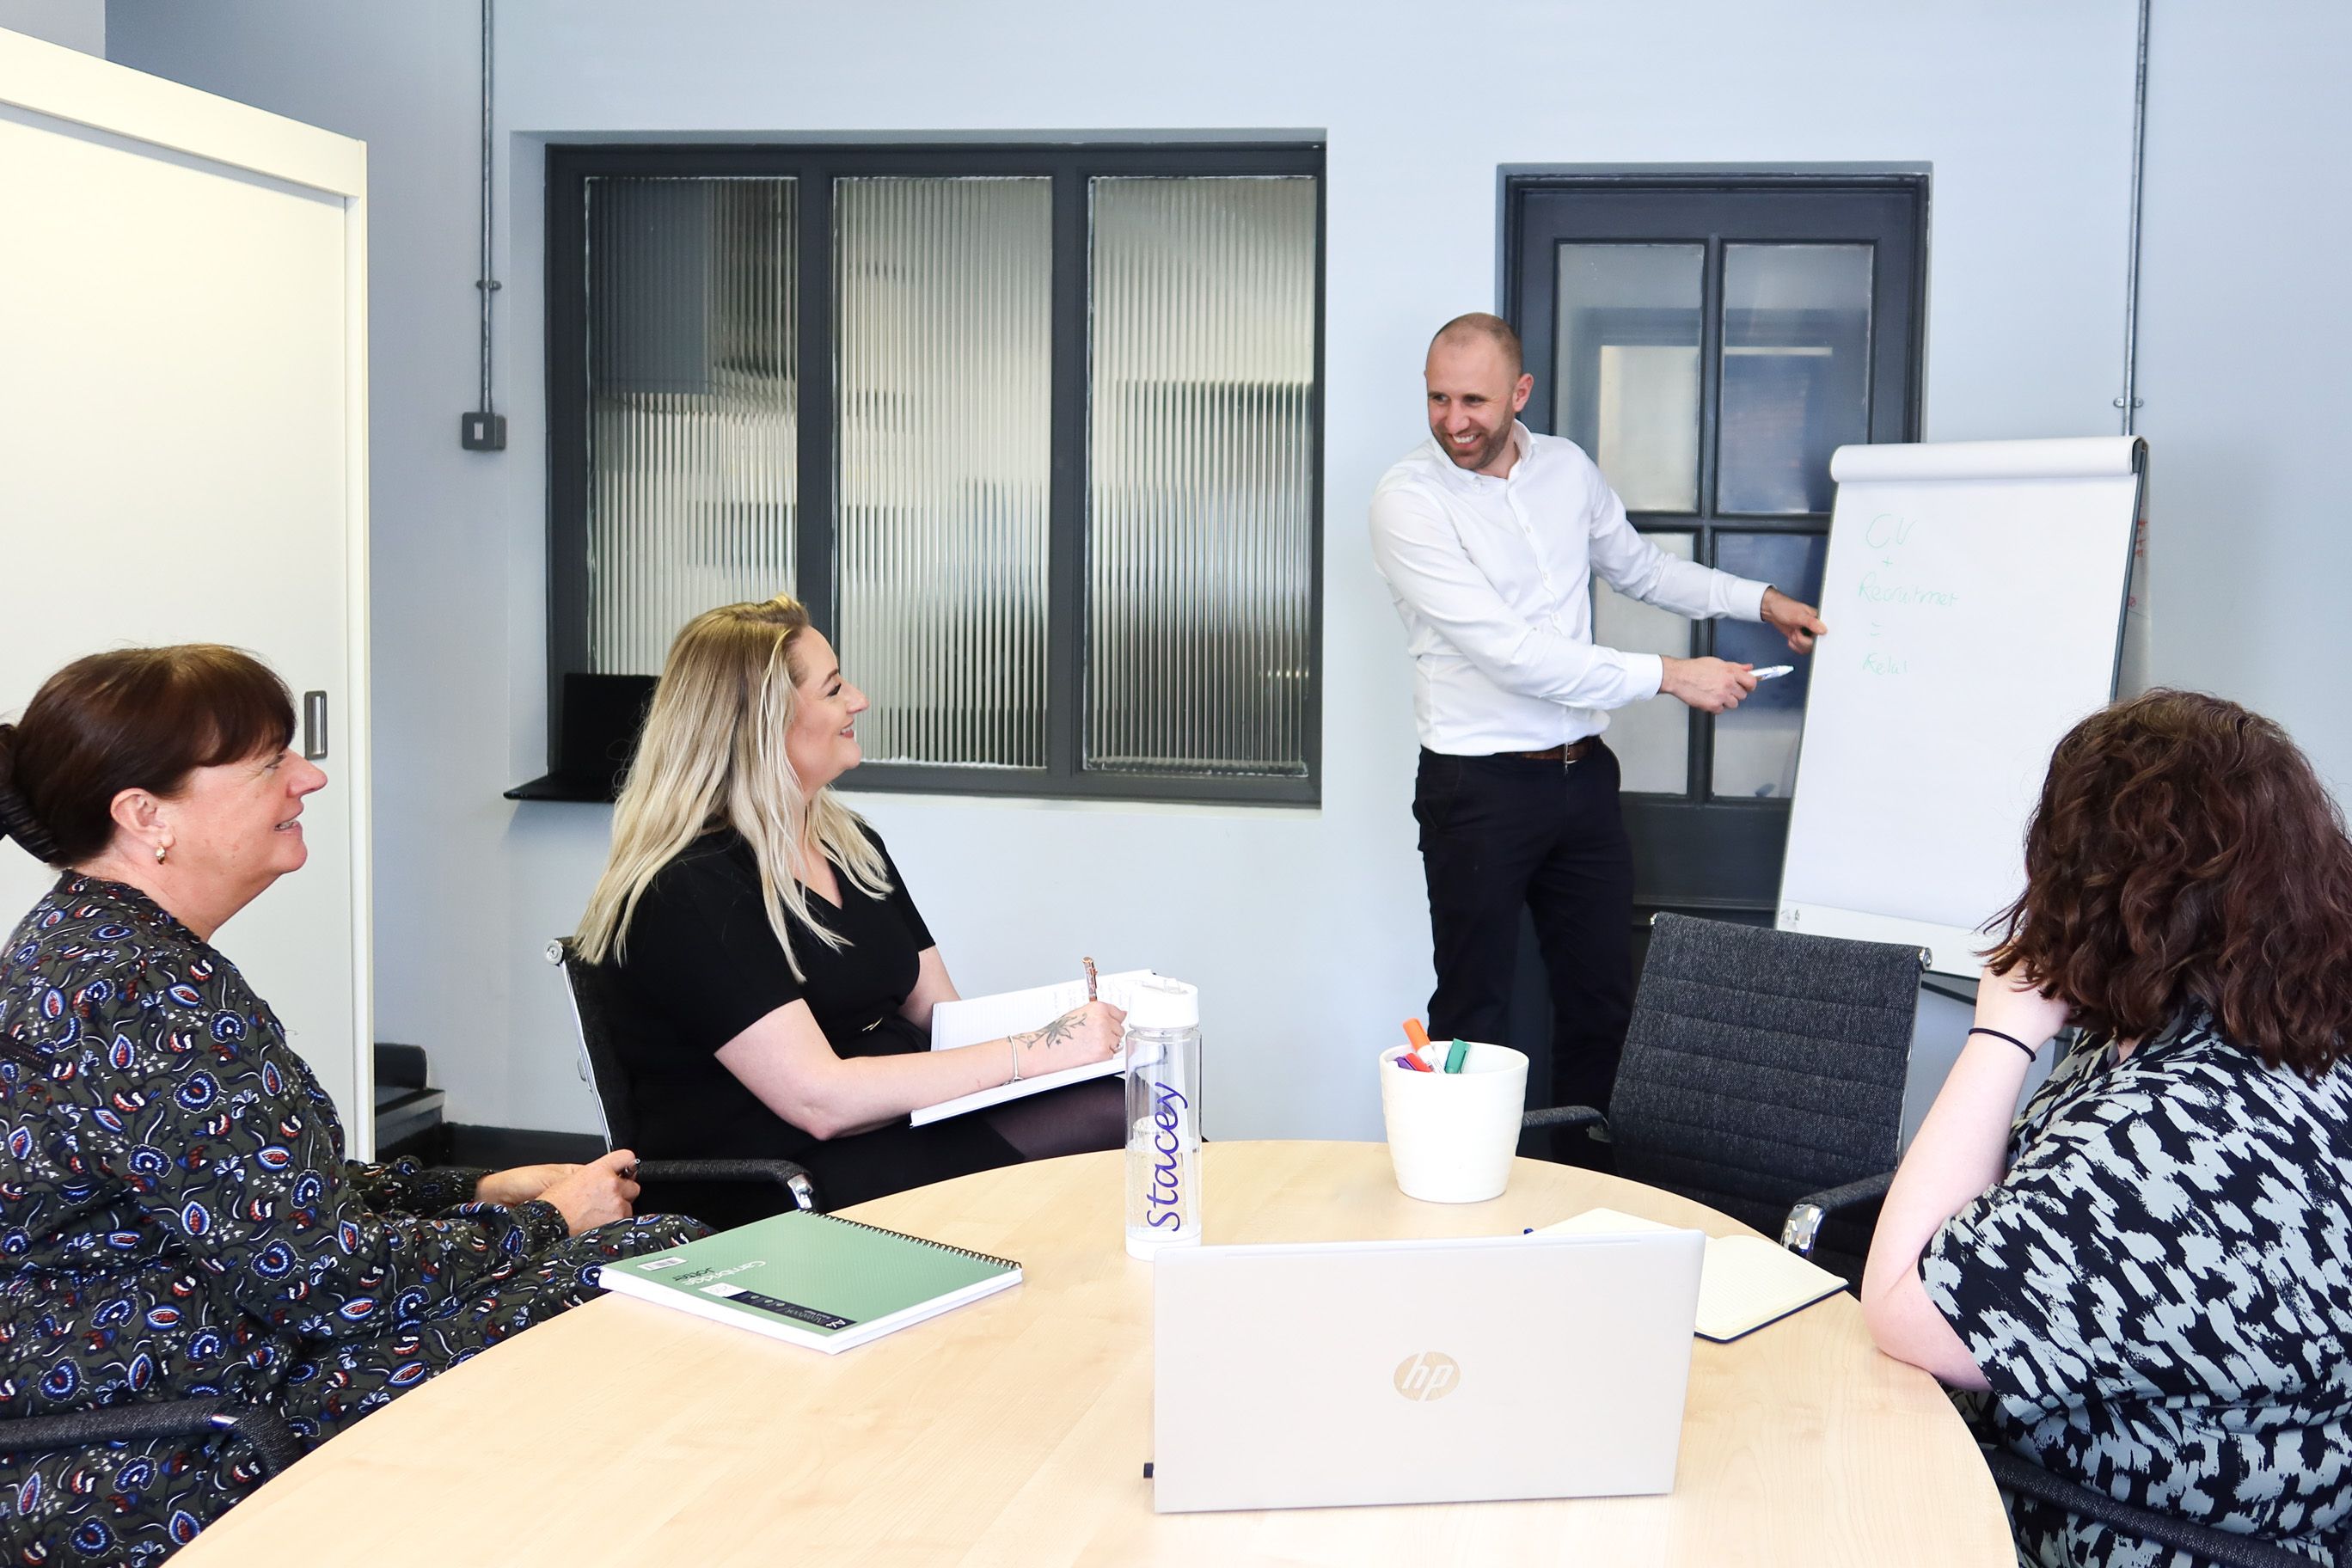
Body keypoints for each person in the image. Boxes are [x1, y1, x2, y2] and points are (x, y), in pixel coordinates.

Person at [0, 646, 702, 1564]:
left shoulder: (93, 944)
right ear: (144, 816)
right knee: (649, 1256)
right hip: (170, 1444)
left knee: (639, 1260)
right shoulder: (142, 986)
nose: (310, 777)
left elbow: (268, 1192)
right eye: (269, 764)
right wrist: (547, 1223)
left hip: (194, 1375)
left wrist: (476, 1191)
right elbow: (333, 1280)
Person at [1862, 691, 2352, 1566]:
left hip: (2099, 1531)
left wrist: (2001, 1034)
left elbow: (1908, 1312)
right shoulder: (2274, 1030)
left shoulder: (2178, 1138)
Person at [1369, 312, 1828, 1136]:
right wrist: (1670, 676)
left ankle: (1591, 1194)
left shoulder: (1567, 471)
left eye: (1474, 399)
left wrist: (1759, 602)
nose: (1454, 421)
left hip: (1582, 778)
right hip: (1478, 789)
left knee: (1602, 1002)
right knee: (1476, 1007)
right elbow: (1512, 654)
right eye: (1438, 399)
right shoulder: (1409, 501)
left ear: (1521, 392)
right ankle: (1463, 1203)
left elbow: (1642, 569)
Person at [575, 594, 1127, 1216]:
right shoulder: (687, 890)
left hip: (889, 1127)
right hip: (775, 1179)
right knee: (1111, 1118)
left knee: (1129, 1096)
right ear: (763, 724)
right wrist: (1038, 1049)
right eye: (834, 689)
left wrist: (1070, 1040)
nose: (858, 700)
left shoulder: (850, 843)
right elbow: (821, 1101)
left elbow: (940, 1016)